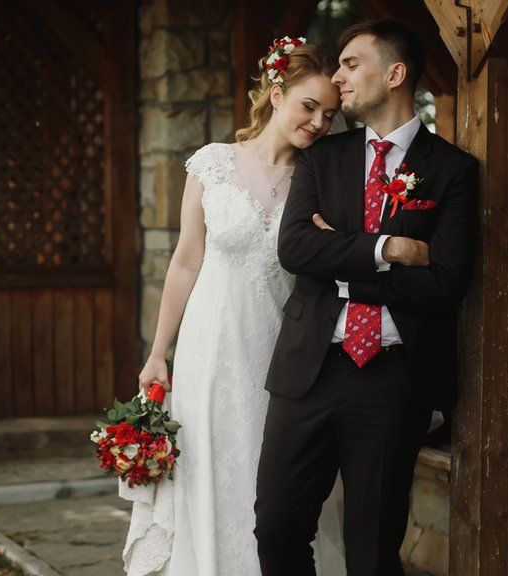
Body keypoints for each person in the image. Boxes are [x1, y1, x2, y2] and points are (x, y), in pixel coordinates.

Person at [255, 20, 481, 576]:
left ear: (396, 73)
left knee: (372, 552)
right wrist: (388, 248)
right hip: (308, 368)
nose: (338, 77)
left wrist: (344, 258)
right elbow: (297, 249)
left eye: (352, 64)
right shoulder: (321, 158)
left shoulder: (452, 171)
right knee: (277, 531)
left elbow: (445, 284)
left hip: (392, 381)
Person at [126, 39, 345, 576]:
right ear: (276, 94)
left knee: (270, 486)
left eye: (329, 114)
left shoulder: (322, 182)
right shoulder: (212, 164)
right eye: (308, 106)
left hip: (282, 356)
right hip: (209, 350)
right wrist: (158, 353)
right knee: (208, 472)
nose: (318, 122)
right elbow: (184, 262)